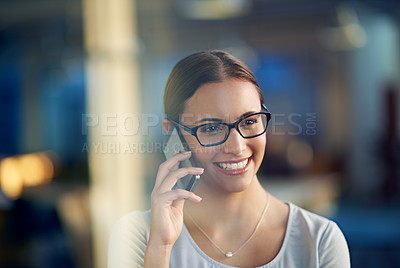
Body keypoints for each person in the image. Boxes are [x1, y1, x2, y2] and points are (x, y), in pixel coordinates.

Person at [108, 50, 351, 268]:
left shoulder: (319, 240)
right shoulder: (139, 235)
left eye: (249, 121)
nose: (236, 146)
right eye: (211, 127)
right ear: (172, 132)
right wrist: (160, 250)